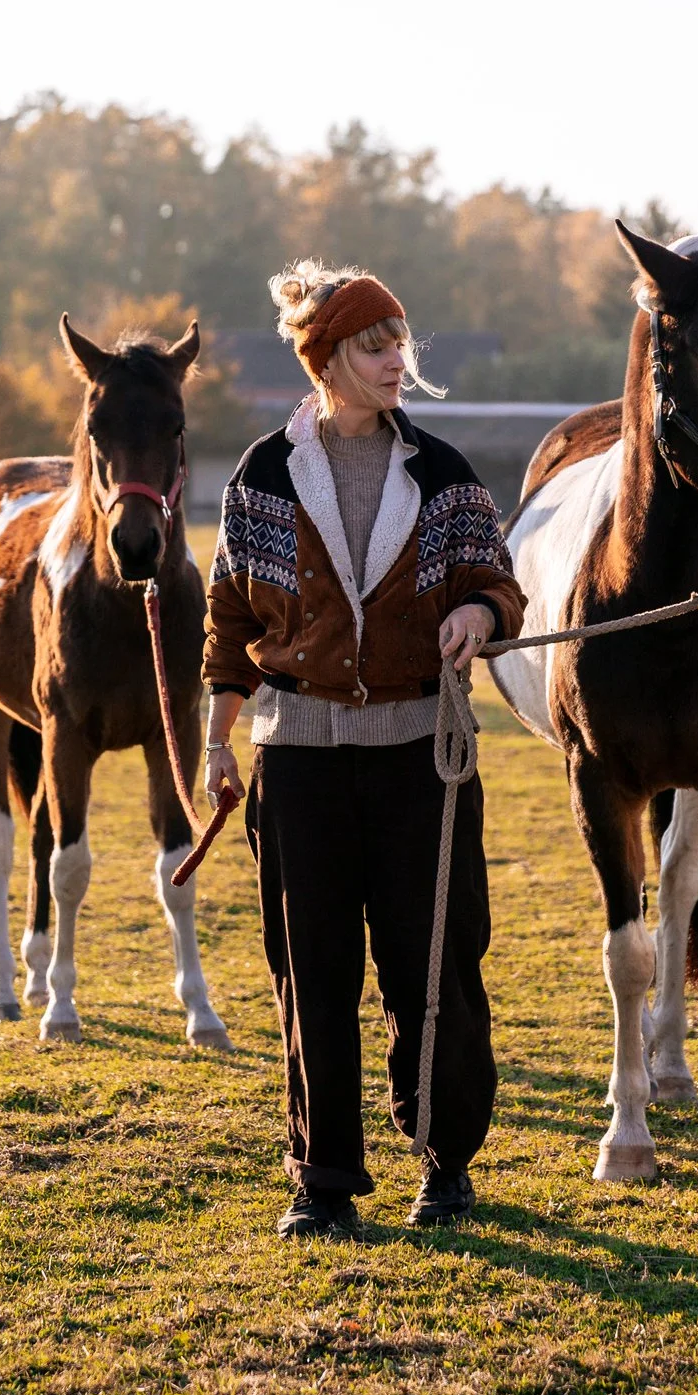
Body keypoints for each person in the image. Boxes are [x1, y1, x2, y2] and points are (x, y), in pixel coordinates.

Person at [203, 262, 526, 1237]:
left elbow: (496, 582)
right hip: (296, 759)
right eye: (376, 346)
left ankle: (445, 1160)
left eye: (400, 342)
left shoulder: (442, 470)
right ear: (328, 360)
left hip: (418, 762)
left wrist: (474, 610)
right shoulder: (262, 474)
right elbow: (226, 615)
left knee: (436, 964)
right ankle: (324, 1180)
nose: (398, 361)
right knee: (313, 969)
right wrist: (216, 741)